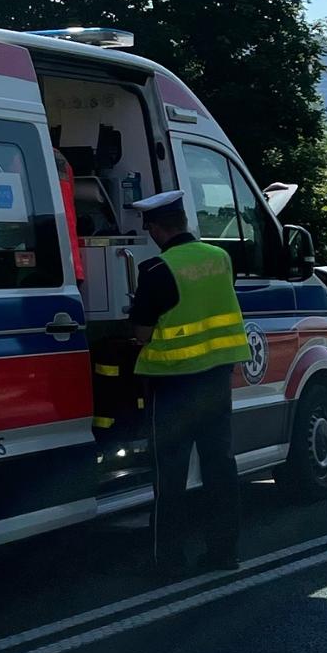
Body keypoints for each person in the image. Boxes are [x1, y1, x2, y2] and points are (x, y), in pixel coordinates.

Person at [127, 190, 251, 574]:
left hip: (173, 383)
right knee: (219, 467)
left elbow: (142, 332)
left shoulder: (155, 270)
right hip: (215, 379)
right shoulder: (220, 258)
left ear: (155, 229)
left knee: (170, 475)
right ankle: (224, 553)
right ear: (183, 222)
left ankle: (168, 561)